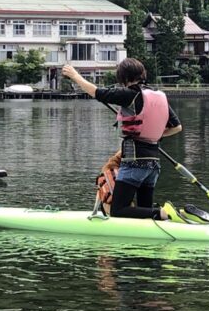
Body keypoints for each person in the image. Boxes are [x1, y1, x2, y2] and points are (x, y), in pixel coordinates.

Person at [63, 58, 183, 220]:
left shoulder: (130, 94)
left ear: (124, 78)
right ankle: (156, 219)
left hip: (134, 162)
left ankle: (162, 213)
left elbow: (97, 93)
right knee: (143, 212)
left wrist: (75, 76)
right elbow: (177, 127)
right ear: (142, 74)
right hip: (153, 164)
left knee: (118, 210)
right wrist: (153, 134)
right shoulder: (158, 96)